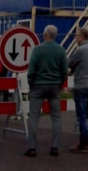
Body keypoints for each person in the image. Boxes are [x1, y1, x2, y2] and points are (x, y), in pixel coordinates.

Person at [25, 25, 68, 158]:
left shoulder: (37, 50)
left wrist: (31, 83)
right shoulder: (61, 50)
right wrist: (59, 83)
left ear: (44, 35)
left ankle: (32, 148)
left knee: (33, 117)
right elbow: (64, 71)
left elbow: (31, 70)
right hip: (55, 86)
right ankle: (54, 147)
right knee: (56, 117)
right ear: (55, 36)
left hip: (38, 86)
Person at [68, 28, 88, 153]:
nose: (75, 38)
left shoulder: (80, 50)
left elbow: (70, 63)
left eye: (76, 36)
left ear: (82, 36)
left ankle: (83, 142)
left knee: (82, 116)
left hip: (81, 86)